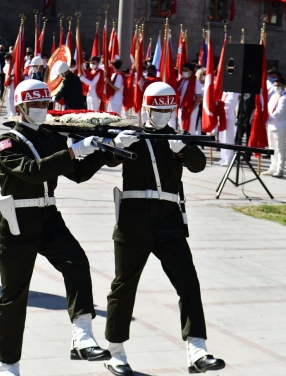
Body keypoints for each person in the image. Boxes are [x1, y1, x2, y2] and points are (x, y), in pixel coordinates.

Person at [102, 82, 225, 376]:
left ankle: (197, 349)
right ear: (146, 108)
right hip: (133, 219)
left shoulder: (177, 137)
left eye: (167, 110)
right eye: (157, 110)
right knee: (124, 285)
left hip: (168, 219)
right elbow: (106, 158)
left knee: (188, 283)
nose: (161, 115)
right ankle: (115, 351)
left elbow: (198, 165)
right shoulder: (132, 134)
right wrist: (118, 144)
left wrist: (182, 151)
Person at [0, 79, 113, 376]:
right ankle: (7, 363)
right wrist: (73, 151)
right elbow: (34, 172)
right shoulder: (6, 142)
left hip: (48, 217)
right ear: (20, 108)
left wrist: (107, 148)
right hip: (17, 222)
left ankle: (82, 336)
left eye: (45, 104)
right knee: (13, 296)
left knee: (77, 263)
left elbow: (80, 173)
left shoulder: (50, 137)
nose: (41, 110)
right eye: (35, 105)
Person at [263, 78, 286, 178]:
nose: (276, 87)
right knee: (272, 147)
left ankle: (280, 169)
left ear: (283, 85)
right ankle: (272, 167)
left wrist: (267, 119)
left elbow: (279, 111)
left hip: (280, 125)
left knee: (280, 148)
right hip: (270, 125)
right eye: (275, 85)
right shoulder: (274, 96)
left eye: (278, 85)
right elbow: (269, 108)